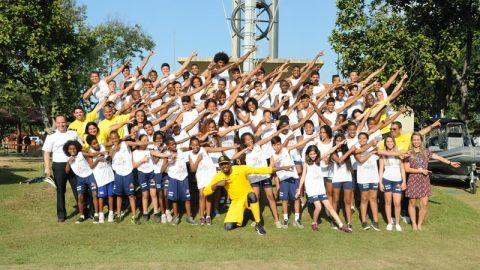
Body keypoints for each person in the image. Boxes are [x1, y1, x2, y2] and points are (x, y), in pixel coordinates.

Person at [203, 155, 292, 235]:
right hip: (236, 201)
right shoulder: (219, 176)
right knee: (228, 227)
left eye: (226, 163)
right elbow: (205, 192)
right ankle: (244, 216)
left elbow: (260, 170)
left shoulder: (240, 168)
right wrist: (217, 184)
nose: (224, 166)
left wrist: (282, 168)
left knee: (252, 195)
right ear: (219, 166)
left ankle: (258, 224)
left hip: (247, 197)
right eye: (222, 164)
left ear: (229, 163)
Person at [404, 132, 460, 231]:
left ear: (421, 140)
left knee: (424, 203)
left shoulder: (426, 152)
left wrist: (450, 163)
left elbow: (438, 157)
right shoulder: (408, 153)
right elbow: (407, 169)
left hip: (424, 180)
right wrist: (420, 171)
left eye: (418, 139)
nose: (416, 141)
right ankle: (414, 224)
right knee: (412, 202)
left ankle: (420, 224)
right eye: (414, 140)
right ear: (412, 141)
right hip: (413, 179)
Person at [296, 145, 350, 232]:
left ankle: (341, 225)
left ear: (317, 153)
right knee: (319, 207)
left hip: (320, 188)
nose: (313, 156)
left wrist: (338, 144)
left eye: (314, 153)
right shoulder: (305, 163)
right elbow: (303, 176)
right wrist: (299, 190)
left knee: (330, 208)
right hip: (311, 189)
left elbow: (329, 151)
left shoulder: (319, 160)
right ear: (307, 154)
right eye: (311, 154)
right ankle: (314, 223)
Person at [42, 115, 80, 222]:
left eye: (63, 122)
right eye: (58, 123)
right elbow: (46, 153)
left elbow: (80, 148)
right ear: (56, 124)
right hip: (59, 165)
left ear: (66, 123)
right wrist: (47, 168)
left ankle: (83, 211)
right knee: (60, 190)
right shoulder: (51, 136)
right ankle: (61, 215)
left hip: (74, 164)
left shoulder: (73, 133)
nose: (61, 125)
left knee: (78, 188)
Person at [63, 140, 100, 224]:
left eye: (74, 148)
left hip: (90, 176)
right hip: (80, 179)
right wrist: (68, 162)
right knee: (80, 197)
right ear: (67, 150)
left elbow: (92, 154)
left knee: (94, 194)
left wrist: (101, 152)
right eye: (70, 149)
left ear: (77, 148)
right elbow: (66, 171)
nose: (72, 150)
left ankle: (96, 215)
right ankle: (82, 216)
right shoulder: (68, 159)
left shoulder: (80, 154)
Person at [379, 135, 406, 231]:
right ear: (385, 143)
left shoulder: (399, 154)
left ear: (394, 142)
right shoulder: (383, 154)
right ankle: (390, 222)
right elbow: (381, 169)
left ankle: (397, 223)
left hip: (397, 180)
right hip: (386, 179)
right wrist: (380, 183)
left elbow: (402, 169)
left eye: (391, 141)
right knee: (388, 202)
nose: (389, 143)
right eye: (387, 142)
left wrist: (404, 182)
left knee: (397, 203)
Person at [85, 134, 115, 223]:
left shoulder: (103, 146)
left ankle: (111, 213)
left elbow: (109, 156)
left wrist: (109, 154)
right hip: (100, 178)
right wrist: (97, 159)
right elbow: (91, 166)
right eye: (93, 144)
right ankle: (101, 214)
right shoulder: (90, 153)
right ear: (90, 145)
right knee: (101, 196)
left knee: (110, 195)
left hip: (109, 176)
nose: (96, 144)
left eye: (96, 142)